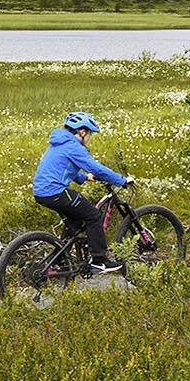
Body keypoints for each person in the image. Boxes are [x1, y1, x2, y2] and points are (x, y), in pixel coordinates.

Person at [31, 111, 134, 274]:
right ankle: (100, 261)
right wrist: (121, 180)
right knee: (93, 216)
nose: (90, 137)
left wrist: (84, 178)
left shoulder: (59, 143)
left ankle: (58, 261)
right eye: (90, 133)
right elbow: (97, 168)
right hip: (55, 192)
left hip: (41, 192)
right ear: (82, 131)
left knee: (75, 224)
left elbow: (63, 166)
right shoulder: (74, 146)